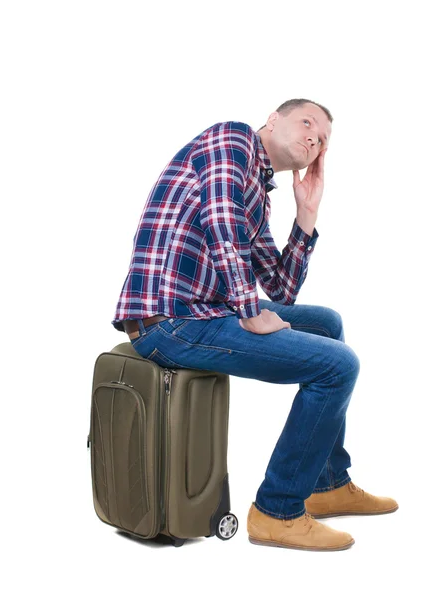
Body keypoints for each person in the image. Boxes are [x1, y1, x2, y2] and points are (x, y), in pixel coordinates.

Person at [112, 98, 398, 552]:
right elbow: (220, 221)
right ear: (273, 119)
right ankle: (276, 510)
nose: (314, 139)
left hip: (204, 312)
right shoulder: (232, 140)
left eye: (323, 139)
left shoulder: (257, 192)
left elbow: (282, 289)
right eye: (308, 123)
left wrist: (306, 215)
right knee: (338, 365)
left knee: (327, 325)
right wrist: (248, 310)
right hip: (168, 321)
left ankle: (326, 483)